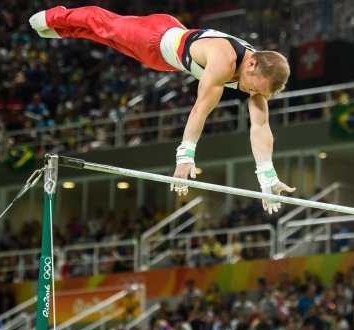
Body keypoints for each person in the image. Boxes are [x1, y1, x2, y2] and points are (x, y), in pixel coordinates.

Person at [29, 6, 295, 213]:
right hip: (154, 39)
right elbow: (201, 108)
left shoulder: (258, 80)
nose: (252, 94)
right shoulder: (224, 61)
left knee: (106, 38)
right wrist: (185, 156)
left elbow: (260, 126)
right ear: (251, 65)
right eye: (253, 87)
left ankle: (64, 29)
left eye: (259, 93)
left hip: (167, 53)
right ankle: (57, 16)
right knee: (104, 24)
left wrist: (267, 176)